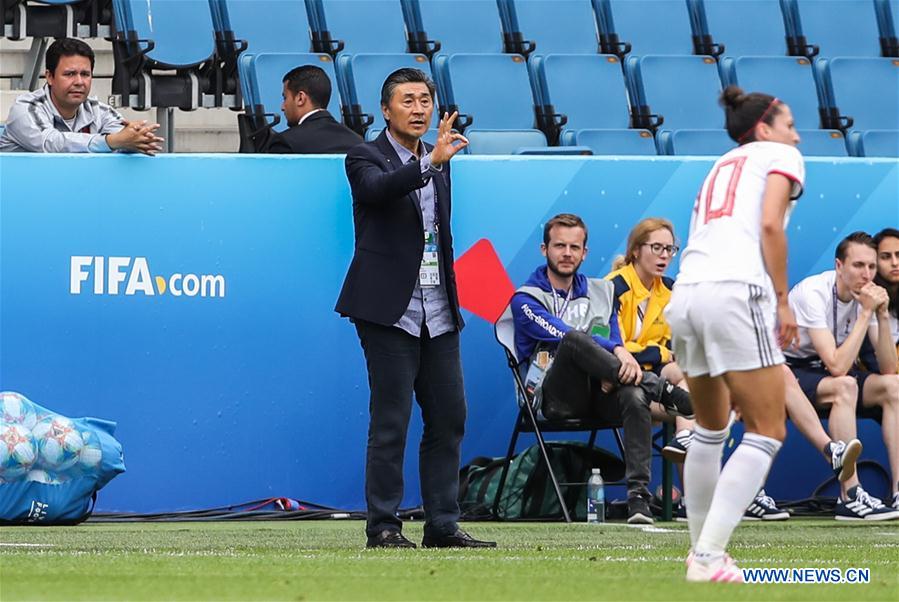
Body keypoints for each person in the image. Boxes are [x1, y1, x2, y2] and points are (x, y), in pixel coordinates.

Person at [606, 218, 858, 523]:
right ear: (635, 251)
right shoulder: (614, 287)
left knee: (777, 374)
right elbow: (611, 345)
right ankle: (737, 489)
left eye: (669, 249)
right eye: (656, 248)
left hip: (676, 383)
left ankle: (829, 450)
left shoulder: (673, 290)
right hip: (633, 385)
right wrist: (662, 352)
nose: (664, 256)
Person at [335, 68, 493, 549]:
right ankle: (383, 525)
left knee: (450, 417)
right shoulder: (364, 155)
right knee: (392, 420)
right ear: (386, 110)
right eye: (408, 100)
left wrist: (436, 161)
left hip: (439, 307)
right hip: (388, 309)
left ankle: (442, 524)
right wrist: (429, 164)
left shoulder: (440, 158)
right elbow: (376, 192)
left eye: (425, 100)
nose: (419, 108)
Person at [665, 85, 804, 582]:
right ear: (765, 128)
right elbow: (770, 226)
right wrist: (784, 299)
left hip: (687, 293)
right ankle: (708, 556)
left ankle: (701, 552)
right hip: (736, 291)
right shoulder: (781, 155)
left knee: (710, 427)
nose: (797, 134)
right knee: (768, 429)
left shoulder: (722, 164)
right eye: (790, 124)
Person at [507, 213, 694, 526]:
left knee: (634, 394)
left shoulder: (600, 292)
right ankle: (661, 389)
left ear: (585, 253)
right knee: (573, 339)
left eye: (574, 247)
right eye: (559, 246)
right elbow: (563, 335)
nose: (567, 253)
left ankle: (638, 499)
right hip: (552, 399)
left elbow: (614, 338)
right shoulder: (526, 299)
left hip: (601, 390)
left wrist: (617, 359)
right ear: (544, 250)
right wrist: (616, 358)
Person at [785, 231, 899, 516]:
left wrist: (882, 315)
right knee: (845, 385)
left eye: (871, 267)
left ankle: (898, 492)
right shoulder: (814, 292)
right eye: (858, 266)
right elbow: (836, 366)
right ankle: (851, 495)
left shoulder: (868, 296)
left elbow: (887, 368)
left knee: (893, 387)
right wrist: (865, 314)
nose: (867, 274)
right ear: (839, 266)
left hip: (827, 372)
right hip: (789, 370)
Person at [0, 38, 162, 154]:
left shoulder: (99, 110)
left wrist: (135, 136)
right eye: (70, 74)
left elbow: (121, 137)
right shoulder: (26, 108)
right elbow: (50, 143)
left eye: (85, 74)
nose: (79, 82)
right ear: (49, 77)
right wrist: (110, 142)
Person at [252, 65, 361, 154]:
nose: (282, 107)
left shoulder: (286, 143)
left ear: (300, 98)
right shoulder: (357, 141)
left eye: (285, 98)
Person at [874, 227, 899, 373]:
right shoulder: (868, 296)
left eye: (898, 255)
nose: (895, 263)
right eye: (886, 257)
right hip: (878, 375)